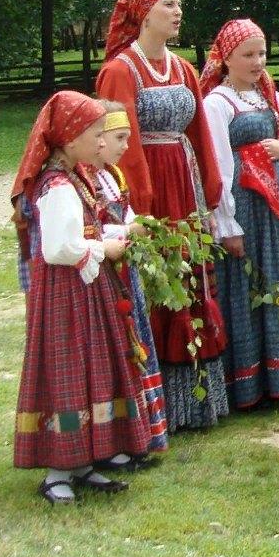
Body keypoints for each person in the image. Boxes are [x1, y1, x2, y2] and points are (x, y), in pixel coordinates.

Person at [96, 0, 229, 431]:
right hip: (150, 186)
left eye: (179, 4)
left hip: (185, 180)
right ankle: (154, 404)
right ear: (145, 12)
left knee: (190, 280)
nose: (177, 12)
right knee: (155, 283)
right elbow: (121, 144)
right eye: (168, 4)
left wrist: (210, 188)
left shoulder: (184, 68)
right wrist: (141, 205)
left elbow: (200, 136)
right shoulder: (120, 70)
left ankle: (195, 398)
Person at [11, 91, 149, 504]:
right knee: (67, 369)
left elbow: (84, 232)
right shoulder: (56, 186)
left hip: (83, 290)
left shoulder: (75, 177)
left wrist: (117, 235)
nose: (101, 141)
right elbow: (58, 248)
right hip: (64, 293)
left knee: (91, 366)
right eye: (95, 133)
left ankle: (83, 461)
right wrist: (104, 250)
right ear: (71, 138)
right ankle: (57, 471)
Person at [202, 20, 279, 408]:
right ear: (226, 58)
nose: (258, 61)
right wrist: (228, 223)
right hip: (246, 204)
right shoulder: (217, 103)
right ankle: (253, 380)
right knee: (251, 282)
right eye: (248, 54)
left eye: (261, 53)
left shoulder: (267, 95)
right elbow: (219, 165)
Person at [90, 102, 167, 459]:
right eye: (119, 138)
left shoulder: (113, 175)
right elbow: (91, 228)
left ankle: (140, 434)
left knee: (135, 336)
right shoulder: (86, 181)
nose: (124, 146)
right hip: (103, 273)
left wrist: (138, 226)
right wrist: (126, 229)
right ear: (98, 138)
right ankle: (119, 437)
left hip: (125, 270)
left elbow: (127, 211)